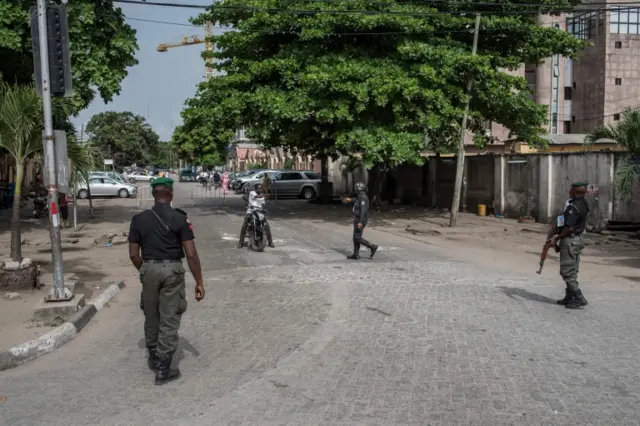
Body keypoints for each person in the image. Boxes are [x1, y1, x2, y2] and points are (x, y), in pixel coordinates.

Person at [127, 177, 205, 385]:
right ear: (171, 194)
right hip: (172, 270)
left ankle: (153, 355)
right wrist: (199, 282)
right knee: (169, 316)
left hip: (148, 268)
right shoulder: (179, 218)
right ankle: (163, 368)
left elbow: (134, 254)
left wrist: (145, 270)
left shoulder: (139, 219)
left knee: (151, 313)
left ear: (154, 195)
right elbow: (191, 254)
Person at [548, 182, 590, 309]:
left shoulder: (574, 207)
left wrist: (557, 237)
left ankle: (579, 297)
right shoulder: (583, 203)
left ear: (575, 191)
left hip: (570, 240)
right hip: (578, 239)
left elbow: (569, 227)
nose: (569, 191)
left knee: (566, 271)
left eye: (571, 190)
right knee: (572, 269)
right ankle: (569, 296)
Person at [343, 182, 378, 260]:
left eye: (356, 189)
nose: (356, 190)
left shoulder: (363, 197)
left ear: (358, 189)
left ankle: (372, 246)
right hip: (358, 218)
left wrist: (360, 222)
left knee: (357, 237)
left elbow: (363, 210)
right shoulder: (360, 196)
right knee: (355, 237)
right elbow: (357, 201)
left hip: (360, 219)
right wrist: (350, 200)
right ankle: (356, 254)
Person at [238, 183, 274, 249]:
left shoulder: (262, 195)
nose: (260, 189)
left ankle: (270, 242)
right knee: (244, 225)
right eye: (258, 188)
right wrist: (266, 195)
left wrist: (264, 208)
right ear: (255, 188)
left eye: (261, 188)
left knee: (267, 226)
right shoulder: (252, 193)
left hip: (259, 212)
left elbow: (263, 203)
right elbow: (258, 196)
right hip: (251, 211)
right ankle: (241, 242)